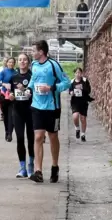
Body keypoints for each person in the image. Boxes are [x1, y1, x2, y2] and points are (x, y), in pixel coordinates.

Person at [26, 40, 70, 183]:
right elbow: (33, 79)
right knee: (38, 137)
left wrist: (51, 88)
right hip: (37, 106)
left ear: (41, 52)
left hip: (52, 108)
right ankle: (38, 171)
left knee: (52, 136)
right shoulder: (33, 65)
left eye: (34, 51)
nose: (32, 53)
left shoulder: (53, 65)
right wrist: (28, 89)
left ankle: (54, 166)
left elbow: (66, 83)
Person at [8, 53, 34, 178]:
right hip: (17, 111)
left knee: (31, 139)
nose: (22, 62)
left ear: (28, 62)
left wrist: (26, 90)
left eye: (25, 60)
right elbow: (9, 93)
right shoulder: (13, 77)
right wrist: (11, 96)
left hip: (31, 111)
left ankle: (31, 166)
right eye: (20, 59)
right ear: (17, 62)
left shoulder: (32, 77)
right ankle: (22, 167)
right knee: (19, 138)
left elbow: (35, 94)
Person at [69, 68, 92, 142]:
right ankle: (77, 129)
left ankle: (83, 134)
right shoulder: (72, 81)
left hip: (83, 101)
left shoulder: (85, 81)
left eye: (79, 73)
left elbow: (89, 90)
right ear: (74, 74)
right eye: (76, 73)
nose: (78, 74)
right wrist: (71, 93)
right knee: (75, 116)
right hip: (75, 101)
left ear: (81, 73)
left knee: (83, 118)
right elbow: (70, 90)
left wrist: (82, 89)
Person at [0, 57, 16, 142]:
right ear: (7, 63)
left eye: (12, 62)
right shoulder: (3, 72)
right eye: (9, 62)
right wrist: (4, 84)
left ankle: (10, 133)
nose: (11, 64)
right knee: (6, 116)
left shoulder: (16, 73)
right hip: (4, 96)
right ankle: (6, 131)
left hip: (13, 96)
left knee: (11, 115)